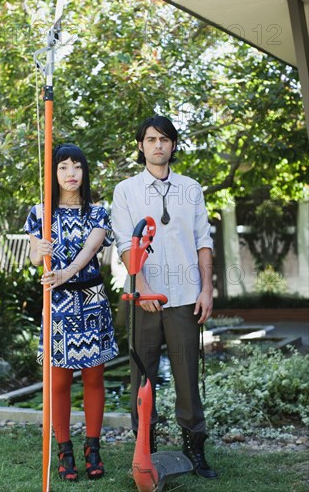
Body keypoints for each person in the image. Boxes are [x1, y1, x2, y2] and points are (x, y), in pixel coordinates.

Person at [111, 115, 217, 479]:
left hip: (186, 297)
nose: (158, 145)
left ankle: (195, 450)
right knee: (142, 379)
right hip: (143, 300)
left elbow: (204, 241)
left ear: (173, 145)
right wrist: (139, 290)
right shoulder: (126, 190)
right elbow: (126, 243)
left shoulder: (192, 188)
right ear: (141, 146)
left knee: (188, 376)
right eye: (151, 139)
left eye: (165, 139)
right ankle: (146, 451)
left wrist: (206, 289)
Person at [24, 143, 118, 482]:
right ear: (55, 173)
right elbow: (34, 259)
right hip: (58, 305)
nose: (70, 174)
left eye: (76, 167)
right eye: (63, 167)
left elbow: (91, 249)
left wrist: (66, 272)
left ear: (84, 171)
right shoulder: (40, 213)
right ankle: (65, 451)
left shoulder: (97, 212)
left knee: (94, 378)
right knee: (59, 381)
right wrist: (40, 250)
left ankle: (93, 447)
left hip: (91, 300)